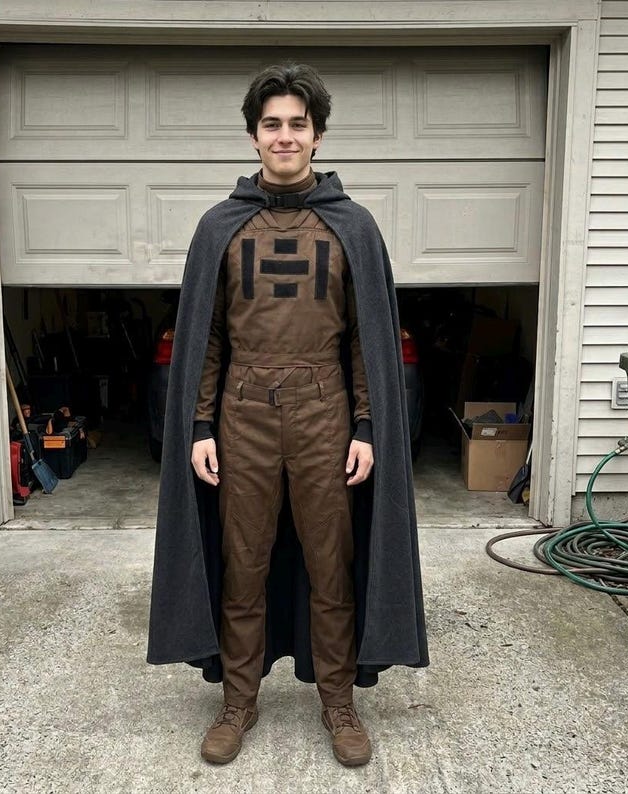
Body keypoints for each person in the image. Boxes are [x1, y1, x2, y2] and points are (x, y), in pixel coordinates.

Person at [147, 63, 428, 768]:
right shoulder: (220, 227)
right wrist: (199, 425)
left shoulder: (352, 226)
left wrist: (367, 426)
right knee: (243, 565)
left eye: (297, 124)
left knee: (331, 564)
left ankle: (338, 700)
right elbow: (206, 336)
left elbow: (366, 339)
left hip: (324, 413)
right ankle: (239, 701)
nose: (284, 136)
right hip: (242, 414)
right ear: (253, 136)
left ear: (318, 135)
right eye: (271, 123)